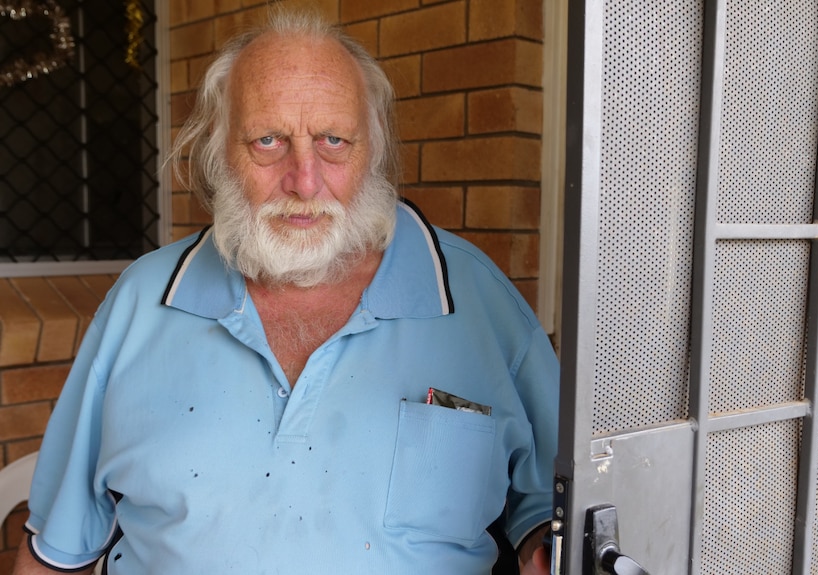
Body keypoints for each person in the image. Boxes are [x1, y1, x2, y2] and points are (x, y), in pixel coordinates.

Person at [13, 6, 558, 574]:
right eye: (268, 140)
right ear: (219, 151)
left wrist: (543, 536)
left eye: (333, 140)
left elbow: (559, 509)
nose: (304, 180)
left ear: (371, 150)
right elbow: (55, 554)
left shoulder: (477, 300)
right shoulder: (141, 303)